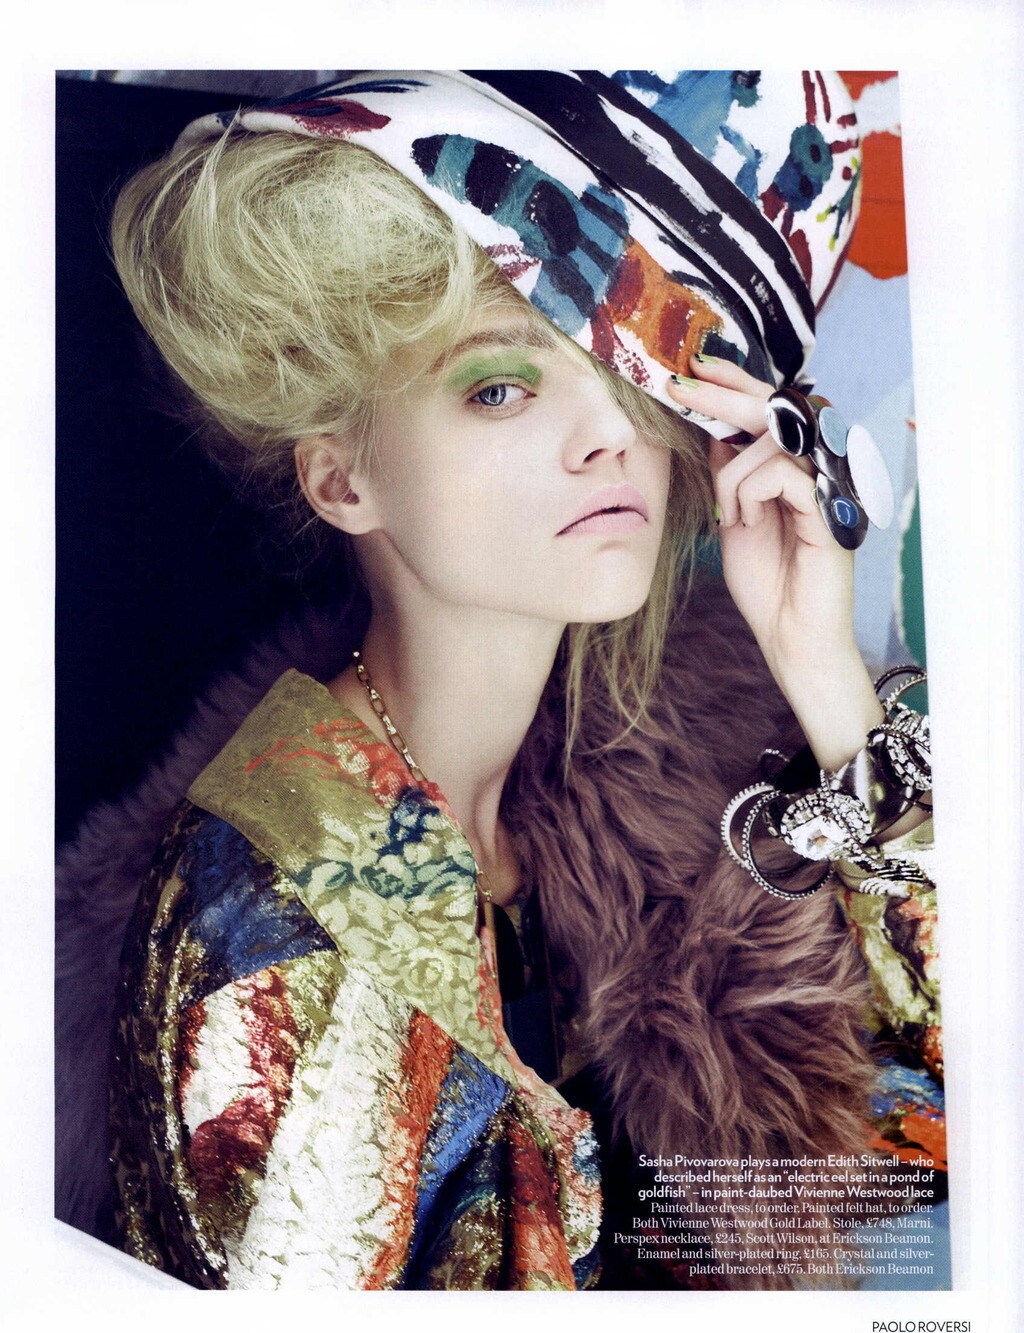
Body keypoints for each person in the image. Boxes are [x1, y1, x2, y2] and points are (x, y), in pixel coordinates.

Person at [60, 71, 943, 1291]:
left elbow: (935, 1140)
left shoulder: (665, 786)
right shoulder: (271, 911)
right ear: (342, 480)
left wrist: (822, 670)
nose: (612, 436)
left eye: (632, 382)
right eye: (499, 388)